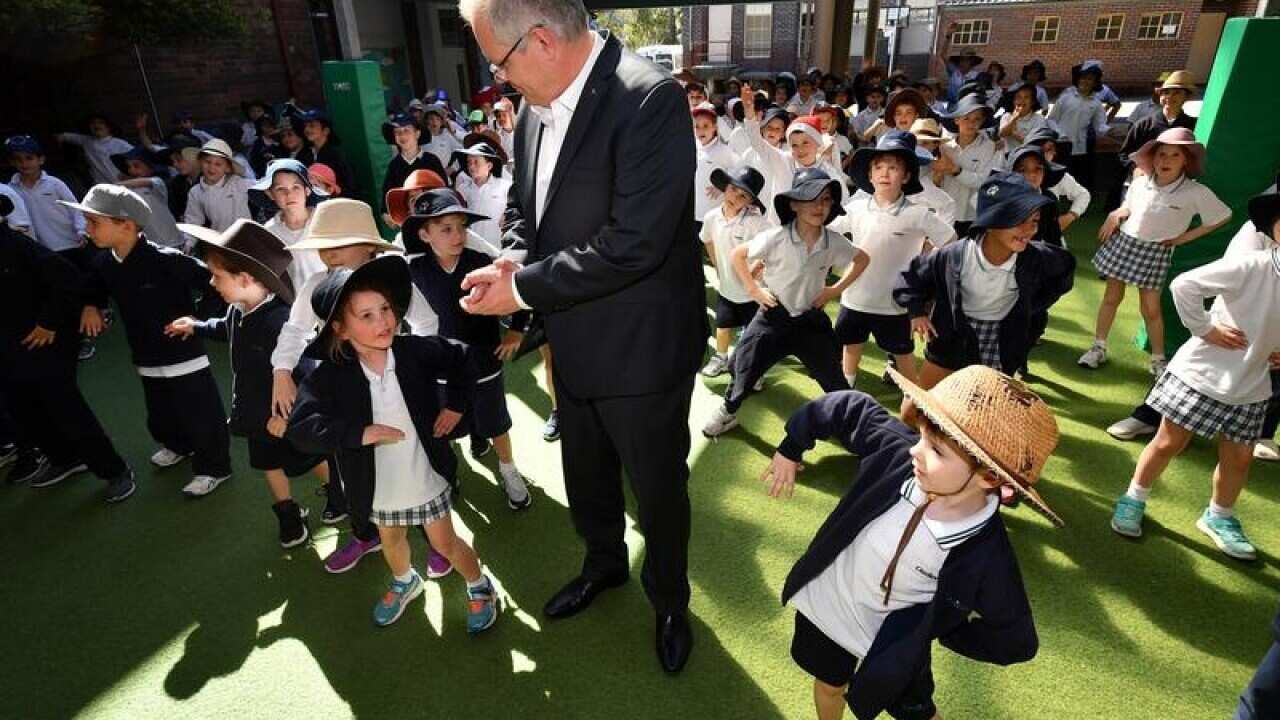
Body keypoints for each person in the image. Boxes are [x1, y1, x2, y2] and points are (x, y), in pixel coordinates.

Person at [459, 0, 707, 672]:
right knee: (587, 473)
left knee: (656, 489)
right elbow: (524, 203)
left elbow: (637, 243)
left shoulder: (649, 99)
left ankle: (669, 600)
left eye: (500, 62)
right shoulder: (538, 104)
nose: (499, 78)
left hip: (641, 351)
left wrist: (524, 287)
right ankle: (604, 565)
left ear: (541, 40)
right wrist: (514, 255)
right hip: (571, 342)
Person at [765, 365, 1061, 720]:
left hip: (896, 645)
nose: (915, 451)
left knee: (917, 711)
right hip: (832, 607)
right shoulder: (896, 452)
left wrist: (940, 630)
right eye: (920, 435)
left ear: (989, 476)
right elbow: (848, 406)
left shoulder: (986, 553)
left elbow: (1016, 639)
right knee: (829, 684)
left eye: (936, 449)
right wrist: (791, 446)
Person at [287, 256, 501, 630]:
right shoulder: (328, 376)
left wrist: (454, 405)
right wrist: (358, 433)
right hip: (375, 484)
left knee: (446, 543)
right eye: (365, 316)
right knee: (390, 538)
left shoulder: (413, 351)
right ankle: (405, 580)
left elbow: (463, 358)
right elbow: (302, 427)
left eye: (385, 309)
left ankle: (480, 585)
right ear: (339, 328)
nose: (383, 321)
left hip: (423, 474)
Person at [269, 198, 444, 573]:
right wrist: (282, 371)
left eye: (339, 243)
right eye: (323, 245)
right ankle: (366, 534)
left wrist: (419, 366)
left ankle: (437, 539)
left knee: (421, 455)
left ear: (369, 246)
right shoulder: (318, 284)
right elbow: (295, 329)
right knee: (354, 468)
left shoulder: (393, 283)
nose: (328, 254)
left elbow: (428, 325)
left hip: (397, 388)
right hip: (344, 395)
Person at [1107, 184, 1280, 561]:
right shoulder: (1252, 264)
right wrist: (1205, 329)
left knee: (1240, 458)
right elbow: (1185, 284)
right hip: (1201, 373)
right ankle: (1134, 497)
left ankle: (1219, 516)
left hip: (1251, 384)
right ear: (1274, 229)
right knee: (1169, 442)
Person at [167, 220, 327, 547]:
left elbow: (304, 371)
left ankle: (341, 495)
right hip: (255, 415)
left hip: (285, 416)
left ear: (245, 278)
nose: (211, 282)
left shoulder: (279, 320)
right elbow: (225, 328)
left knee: (313, 458)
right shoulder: (238, 309)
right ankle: (288, 514)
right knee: (268, 463)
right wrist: (196, 326)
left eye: (217, 275)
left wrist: (285, 415)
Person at [66, 185, 233, 497]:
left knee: (201, 411)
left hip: (184, 352)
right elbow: (93, 286)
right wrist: (91, 305)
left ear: (126, 225)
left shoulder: (167, 260)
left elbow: (213, 283)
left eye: (94, 222)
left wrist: (198, 321)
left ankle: (214, 467)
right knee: (161, 411)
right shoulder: (104, 262)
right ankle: (178, 445)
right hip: (145, 354)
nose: (87, 230)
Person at [702, 168, 867, 438]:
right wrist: (754, 290)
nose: (819, 206)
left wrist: (833, 290)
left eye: (825, 199)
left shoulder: (833, 242)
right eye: (811, 198)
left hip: (810, 321)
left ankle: (851, 422)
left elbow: (862, 259)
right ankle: (728, 411)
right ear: (793, 204)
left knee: (834, 379)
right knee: (745, 369)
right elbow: (738, 255)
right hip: (772, 317)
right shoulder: (776, 236)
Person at [0, 193, 134, 502]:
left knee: (65, 406)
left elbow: (69, 280)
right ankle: (64, 459)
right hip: (8, 347)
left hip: (44, 340)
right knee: (23, 408)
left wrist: (48, 323)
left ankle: (113, 469)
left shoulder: (18, 247)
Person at [402, 189, 532, 506]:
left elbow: (519, 290)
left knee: (496, 423)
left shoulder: (482, 262)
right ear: (424, 234)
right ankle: (447, 473)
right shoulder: (412, 270)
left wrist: (515, 331)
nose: (458, 235)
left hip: (484, 360)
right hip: (442, 369)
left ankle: (508, 468)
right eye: (446, 228)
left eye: (461, 226)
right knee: (444, 424)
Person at [894, 172, 1075, 388]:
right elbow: (911, 278)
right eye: (1018, 220)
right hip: (952, 335)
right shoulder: (951, 256)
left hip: (1001, 338)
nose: (1029, 230)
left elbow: (1064, 271)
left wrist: (1029, 304)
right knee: (918, 408)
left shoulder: (1037, 258)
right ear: (990, 222)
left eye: (1034, 221)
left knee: (985, 405)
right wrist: (917, 312)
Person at [1080, 128, 1231, 376]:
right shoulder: (1140, 183)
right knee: (1111, 298)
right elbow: (1130, 206)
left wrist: (1183, 238)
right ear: (1153, 157)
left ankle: (1158, 360)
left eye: (1174, 155)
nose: (1166, 160)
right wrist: (1117, 212)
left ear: (1186, 161)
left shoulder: (1195, 191)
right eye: (1161, 154)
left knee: (1150, 308)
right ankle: (1098, 347)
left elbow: (1222, 217)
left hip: (1156, 252)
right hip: (1125, 243)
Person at [835, 131, 955, 390]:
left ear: (907, 176)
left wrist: (926, 267)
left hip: (895, 306)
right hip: (854, 298)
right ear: (869, 175)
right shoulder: (855, 209)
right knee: (851, 347)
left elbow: (951, 242)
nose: (885, 173)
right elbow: (828, 231)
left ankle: (913, 403)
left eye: (893, 167)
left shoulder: (918, 214)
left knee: (904, 356)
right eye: (878, 167)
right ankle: (845, 394)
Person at [699, 166, 771, 378]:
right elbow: (708, 240)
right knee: (722, 325)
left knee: (752, 333)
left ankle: (752, 370)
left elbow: (773, 247)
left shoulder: (756, 222)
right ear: (724, 188)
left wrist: (757, 268)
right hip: (727, 288)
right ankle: (721, 358)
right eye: (732, 189)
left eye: (743, 195)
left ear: (751, 202)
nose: (735, 197)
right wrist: (718, 267)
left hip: (752, 293)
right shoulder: (712, 217)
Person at [742, 89, 849, 224]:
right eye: (794, 145)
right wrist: (749, 114)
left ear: (817, 143)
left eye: (805, 143)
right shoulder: (783, 160)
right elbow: (757, 142)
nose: (800, 149)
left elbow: (843, 199)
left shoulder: (827, 172)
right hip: (779, 231)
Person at [935, 93, 1003, 237]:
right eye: (966, 118)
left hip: (973, 215)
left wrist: (955, 170)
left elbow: (983, 181)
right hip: (946, 212)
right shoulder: (944, 147)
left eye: (977, 119)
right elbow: (936, 180)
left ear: (983, 121)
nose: (971, 123)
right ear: (956, 120)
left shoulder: (990, 147)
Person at [253, 158, 328, 287]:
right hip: (293, 304)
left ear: (307, 190)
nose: (289, 194)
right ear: (270, 194)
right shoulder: (269, 232)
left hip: (329, 300)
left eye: (296, 187)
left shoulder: (325, 221)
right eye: (281, 189)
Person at [1047, 63, 1109, 191]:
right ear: (1078, 79)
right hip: (1061, 144)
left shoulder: (1096, 103)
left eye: (1089, 79)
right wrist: (1060, 134)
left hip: (1080, 146)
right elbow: (1051, 120)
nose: (1085, 81)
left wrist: (1110, 131)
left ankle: (1076, 199)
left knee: (1077, 176)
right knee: (1058, 174)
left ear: (1095, 83)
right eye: (1083, 78)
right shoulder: (1065, 98)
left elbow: (1100, 126)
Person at [379, 113, 447, 228]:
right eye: (397, 132)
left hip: (433, 219)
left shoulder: (431, 160)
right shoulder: (394, 165)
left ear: (417, 134)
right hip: (407, 222)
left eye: (406, 131)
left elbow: (444, 189)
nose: (402, 135)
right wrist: (386, 213)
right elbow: (387, 191)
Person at [110, 147, 184, 249]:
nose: (131, 170)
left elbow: (145, 182)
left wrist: (116, 185)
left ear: (150, 166)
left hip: (173, 240)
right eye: (129, 167)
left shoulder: (157, 183)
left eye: (136, 166)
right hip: (152, 245)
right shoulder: (128, 192)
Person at [184, 139, 253, 233]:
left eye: (218, 164)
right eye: (207, 162)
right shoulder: (196, 192)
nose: (211, 167)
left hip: (247, 236)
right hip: (221, 240)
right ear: (200, 162)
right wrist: (188, 244)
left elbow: (261, 185)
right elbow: (193, 220)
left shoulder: (238, 183)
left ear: (228, 168)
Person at [451, 142, 512, 247]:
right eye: (469, 162)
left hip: (497, 247)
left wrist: (507, 215)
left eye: (476, 162)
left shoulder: (505, 187)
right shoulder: (462, 189)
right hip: (471, 248)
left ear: (489, 165)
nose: (471, 166)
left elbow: (516, 212)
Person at [691, 103, 739, 232]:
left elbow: (739, 170)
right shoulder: (692, 146)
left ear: (715, 127)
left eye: (706, 126)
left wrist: (724, 185)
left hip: (714, 211)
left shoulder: (724, 151)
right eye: (697, 126)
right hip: (694, 210)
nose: (701, 130)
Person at [294, 110, 357, 198]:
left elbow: (349, 186)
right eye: (305, 126)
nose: (307, 129)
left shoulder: (337, 155)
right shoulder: (303, 155)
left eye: (312, 126)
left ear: (326, 131)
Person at [57, 114, 134, 185]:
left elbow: (138, 158)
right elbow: (64, 136)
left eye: (100, 123)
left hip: (122, 184)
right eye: (93, 123)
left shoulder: (120, 144)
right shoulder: (87, 141)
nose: (96, 125)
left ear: (109, 126)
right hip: (101, 186)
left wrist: (130, 174)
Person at [905, 120, 957, 226]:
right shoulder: (900, 163)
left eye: (925, 143)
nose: (919, 147)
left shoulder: (939, 164)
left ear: (935, 145)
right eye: (915, 142)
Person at [422, 103, 464, 171]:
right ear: (426, 121)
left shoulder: (446, 134)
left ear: (441, 122)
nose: (434, 122)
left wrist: (453, 168)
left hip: (443, 177)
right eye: (431, 119)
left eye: (438, 119)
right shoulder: (421, 137)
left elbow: (462, 152)